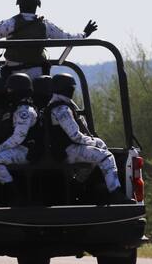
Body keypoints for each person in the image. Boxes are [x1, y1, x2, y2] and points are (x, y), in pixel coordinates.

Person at [0, 0, 98, 75]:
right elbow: (67, 37)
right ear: (38, 5)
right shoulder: (45, 25)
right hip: (38, 74)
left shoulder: (9, 24)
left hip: (12, 74)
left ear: (18, 3)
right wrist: (85, 34)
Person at [48, 73, 129, 203]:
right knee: (106, 156)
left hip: (67, 147)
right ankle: (115, 192)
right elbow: (75, 136)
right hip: (67, 150)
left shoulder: (60, 104)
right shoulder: (61, 109)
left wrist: (94, 143)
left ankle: (77, 184)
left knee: (100, 144)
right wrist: (91, 142)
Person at [0, 73, 38, 187]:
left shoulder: (24, 111)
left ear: (18, 90)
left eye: (10, 89)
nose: (8, 92)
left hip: (25, 150)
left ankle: (11, 190)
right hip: (17, 147)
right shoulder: (15, 108)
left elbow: (18, 137)